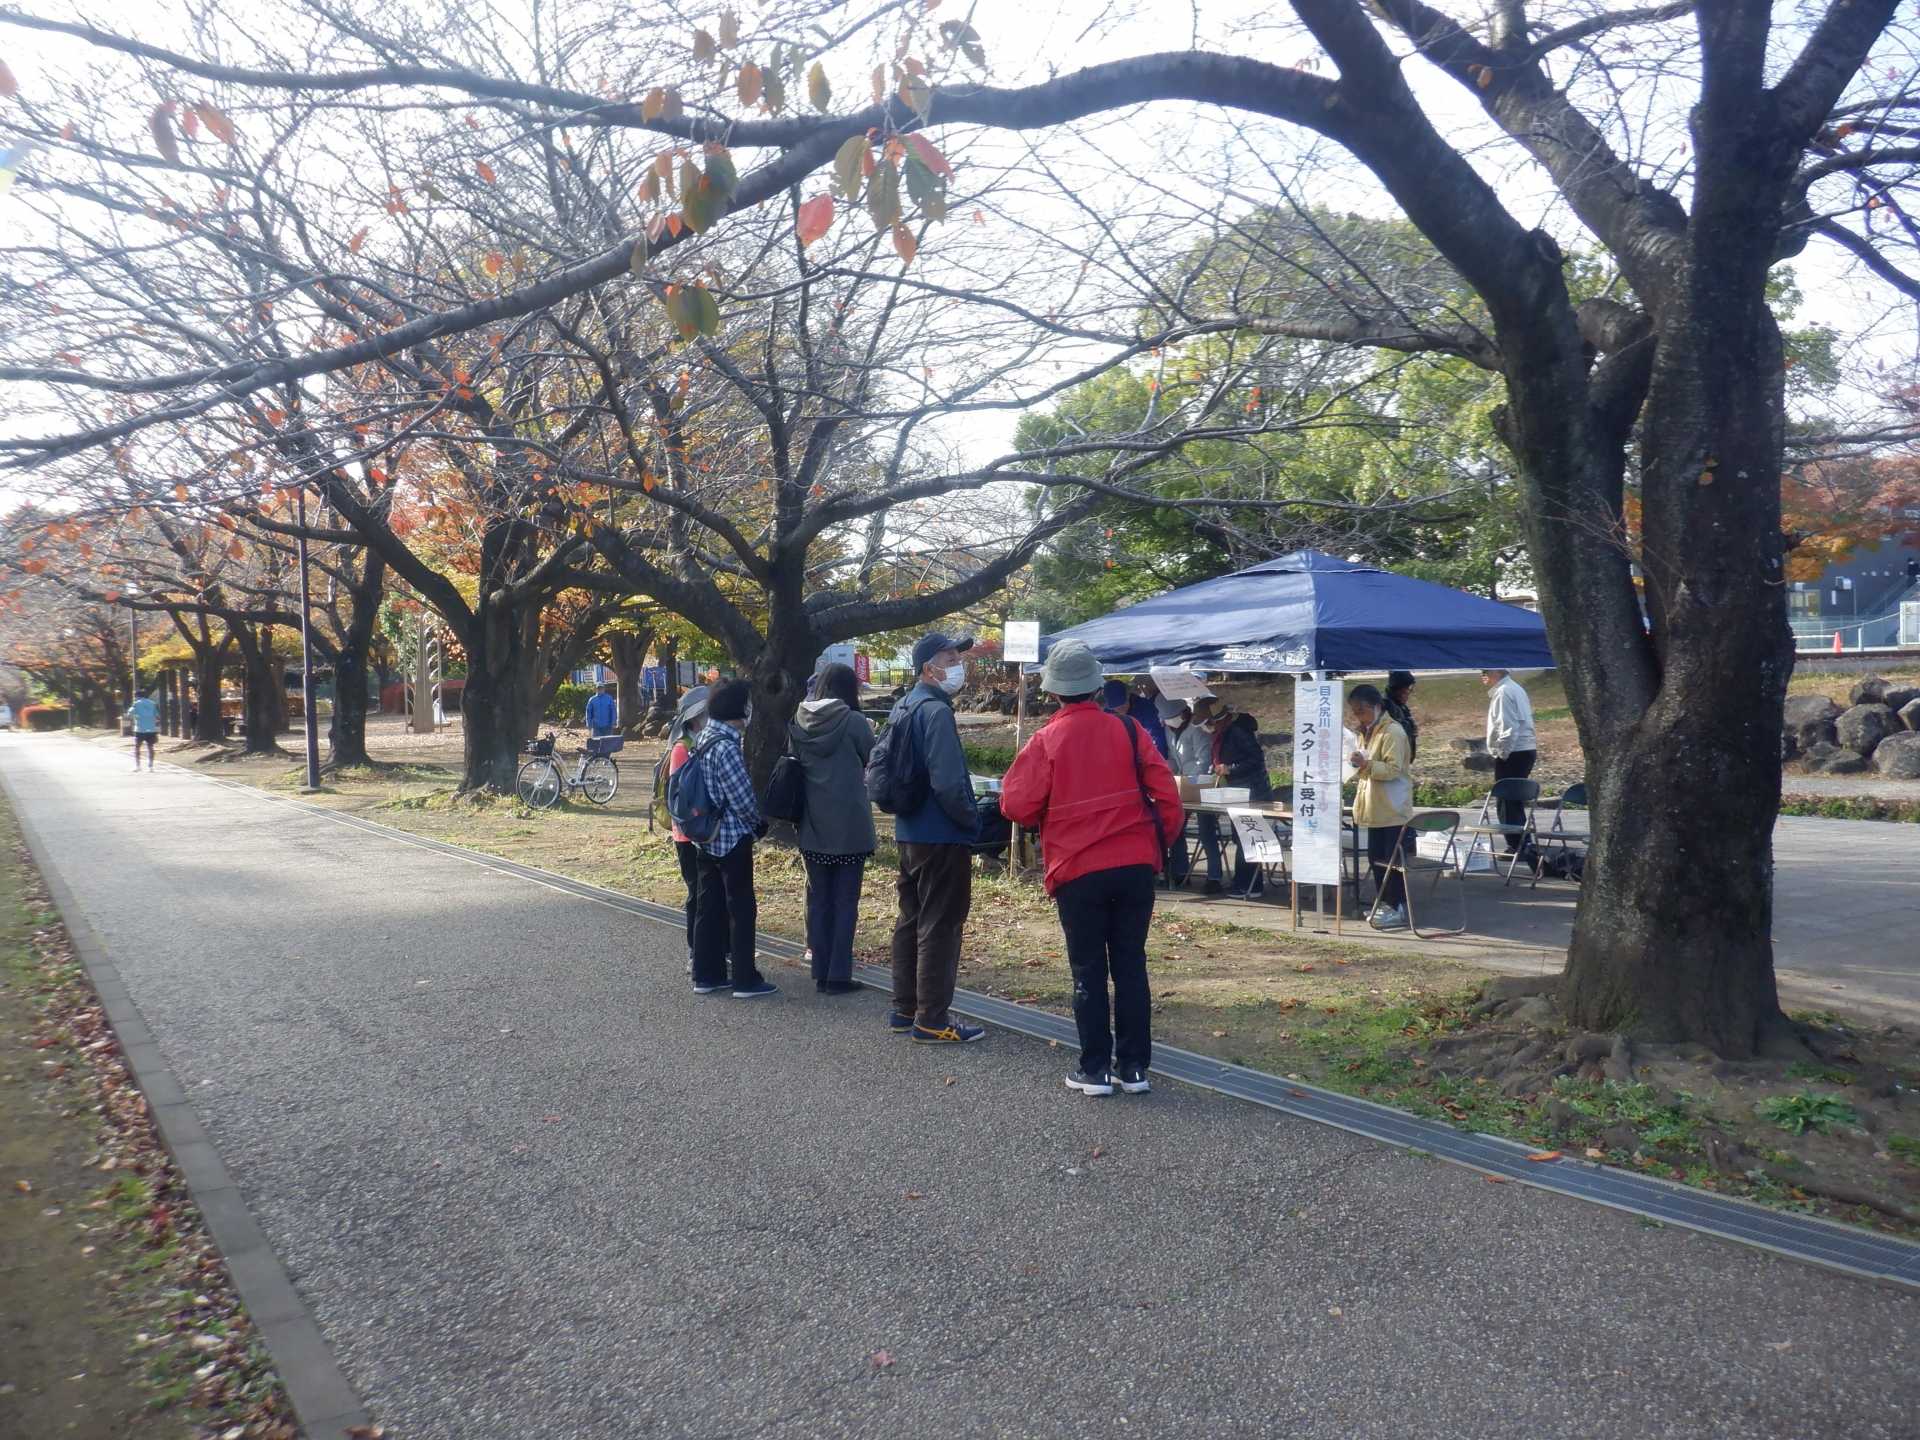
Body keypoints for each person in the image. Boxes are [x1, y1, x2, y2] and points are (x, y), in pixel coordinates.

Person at [1002, 640, 1183, 1097]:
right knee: (1130, 965)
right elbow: (1167, 795)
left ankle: (1095, 1069)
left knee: (1087, 969)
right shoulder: (1128, 731)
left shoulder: (1046, 740)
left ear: (1054, 693)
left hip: (1077, 868)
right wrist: (1157, 846)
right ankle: (1135, 1068)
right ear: (1098, 688)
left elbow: (1016, 805)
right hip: (1135, 864)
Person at [886, 631, 986, 1044]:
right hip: (941, 832)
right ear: (930, 668)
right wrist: (972, 821)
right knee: (941, 924)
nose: (958, 665)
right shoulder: (936, 713)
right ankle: (932, 1018)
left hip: (909, 829)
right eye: (950, 658)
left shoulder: (904, 706)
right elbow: (947, 782)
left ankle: (905, 1007)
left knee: (911, 918)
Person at [791, 662, 876, 995]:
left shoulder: (797, 720)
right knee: (845, 901)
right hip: (850, 826)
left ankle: (820, 970)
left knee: (818, 899)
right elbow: (873, 757)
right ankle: (839, 974)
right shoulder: (854, 722)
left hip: (812, 824)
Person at [689, 681, 776, 997]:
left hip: (705, 835)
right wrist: (758, 823)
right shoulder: (726, 746)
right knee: (741, 908)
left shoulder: (703, 738)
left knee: (707, 907)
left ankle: (706, 975)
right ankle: (745, 978)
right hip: (730, 838)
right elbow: (741, 798)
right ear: (738, 709)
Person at [1347, 683, 1413, 931]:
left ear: (1376, 706)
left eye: (1361, 710)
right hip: (1375, 807)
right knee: (1377, 861)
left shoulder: (1392, 732)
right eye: (1354, 712)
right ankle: (1386, 904)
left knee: (1391, 864)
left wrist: (1366, 764)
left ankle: (1397, 907)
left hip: (1392, 809)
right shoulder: (1369, 731)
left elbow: (1394, 770)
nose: (1358, 716)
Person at [1195, 694, 1274, 894]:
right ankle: (1242, 882)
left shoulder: (1237, 730)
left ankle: (1250, 886)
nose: (1206, 727)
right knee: (1239, 838)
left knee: (1247, 837)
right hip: (1237, 791)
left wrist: (1230, 768)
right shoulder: (1222, 733)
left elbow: (1256, 759)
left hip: (1253, 792)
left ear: (1218, 718)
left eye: (1207, 722)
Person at [665, 686, 711, 974]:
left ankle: (711, 949)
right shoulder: (682, 748)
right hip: (687, 834)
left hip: (702, 833)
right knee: (696, 894)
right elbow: (680, 797)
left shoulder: (699, 743)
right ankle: (695, 952)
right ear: (695, 717)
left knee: (706, 894)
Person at [1160, 693, 1224, 891]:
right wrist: (1167, 767)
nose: (1170, 721)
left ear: (1183, 712)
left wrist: (1187, 779)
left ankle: (1214, 876)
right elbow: (1172, 756)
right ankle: (1180, 872)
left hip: (1202, 784)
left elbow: (1203, 760)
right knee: (1176, 829)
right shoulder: (1169, 730)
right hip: (1182, 785)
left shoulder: (1196, 729)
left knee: (1207, 832)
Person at [1481, 668, 1537, 854]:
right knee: (1513, 800)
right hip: (1524, 749)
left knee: (1506, 799)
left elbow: (1508, 727)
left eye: (1485, 671)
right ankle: (1522, 842)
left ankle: (1517, 845)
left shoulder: (1504, 692)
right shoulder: (1514, 688)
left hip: (1514, 751)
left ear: (1497, 672)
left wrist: (1501, 754)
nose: (1483, 675)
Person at [1101, 678, 1169, 759]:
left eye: (1122, 705)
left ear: (1128, 695)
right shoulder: (1107, 713)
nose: (1119, 710)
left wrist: (1157, 759)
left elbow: (1156, 735)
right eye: (1115, 707)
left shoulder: (1146, 708)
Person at [1383, 670, 1419, 759]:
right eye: (1408, 688)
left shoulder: (1398, 705)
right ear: (1399, 689)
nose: (1410, 692)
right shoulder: (1388, 706)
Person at [127, 688, 161, 772]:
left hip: (140, 729)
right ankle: (151, 766)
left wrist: (135, 716)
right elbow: (157, 715)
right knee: (150, 747)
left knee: (137, 747)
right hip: (151, 729)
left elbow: (130, 714)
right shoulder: (152, 703)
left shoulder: (136, 703)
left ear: (137, 696)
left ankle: (138, 766)